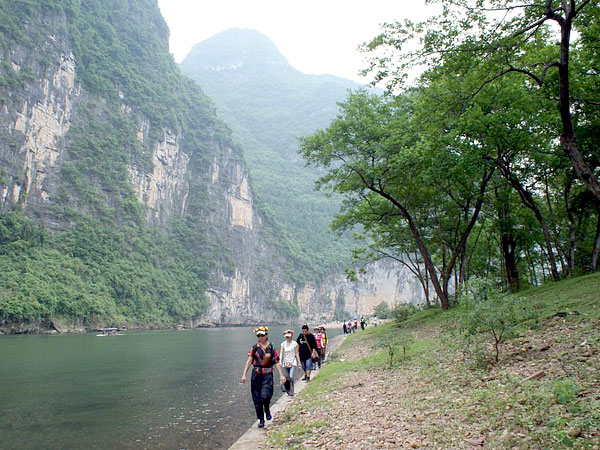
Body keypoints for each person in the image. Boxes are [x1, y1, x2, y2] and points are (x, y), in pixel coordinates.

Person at [241, 326, 286, 428]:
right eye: (259, 336)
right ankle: (261, 419)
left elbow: (276, 362)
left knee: (265, 395)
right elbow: (249, 361)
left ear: (266, 336)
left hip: (267, 374)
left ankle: (267, 408)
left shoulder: (271, 347)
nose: (261, 337)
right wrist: (244, 374)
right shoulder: (254, 347)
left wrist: (281, 375)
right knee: (257, 398)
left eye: (262, 335)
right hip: (256, 375)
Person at [279, 329, 301, 396]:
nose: (287, 338)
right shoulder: (283, 344)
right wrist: (280, 361)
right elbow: (281, 353)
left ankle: (291, 391)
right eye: (286, 337)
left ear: (291, 336)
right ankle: (286, 389)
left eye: (288, 336)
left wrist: (299, 362)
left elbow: (296, 353)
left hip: (293, 362)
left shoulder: (295, 344)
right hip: (285, 362)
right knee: (286, 377)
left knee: (291, 377)